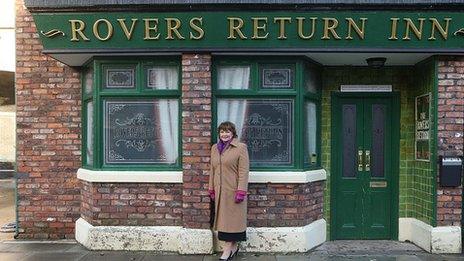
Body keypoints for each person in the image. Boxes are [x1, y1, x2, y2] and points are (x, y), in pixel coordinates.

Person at [208, 121, 249, 260]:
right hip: (220, 192)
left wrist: (241, 191)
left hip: (233, 192)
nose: (224, 134)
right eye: (222, 131)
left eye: (228, 131)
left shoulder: (240, 148)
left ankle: (227, 251)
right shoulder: (214, 148)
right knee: (224, 222)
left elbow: (244, 172)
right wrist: (211, 188)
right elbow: (212, 170)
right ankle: (233, 248)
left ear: (233, 133)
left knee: (232, 224)